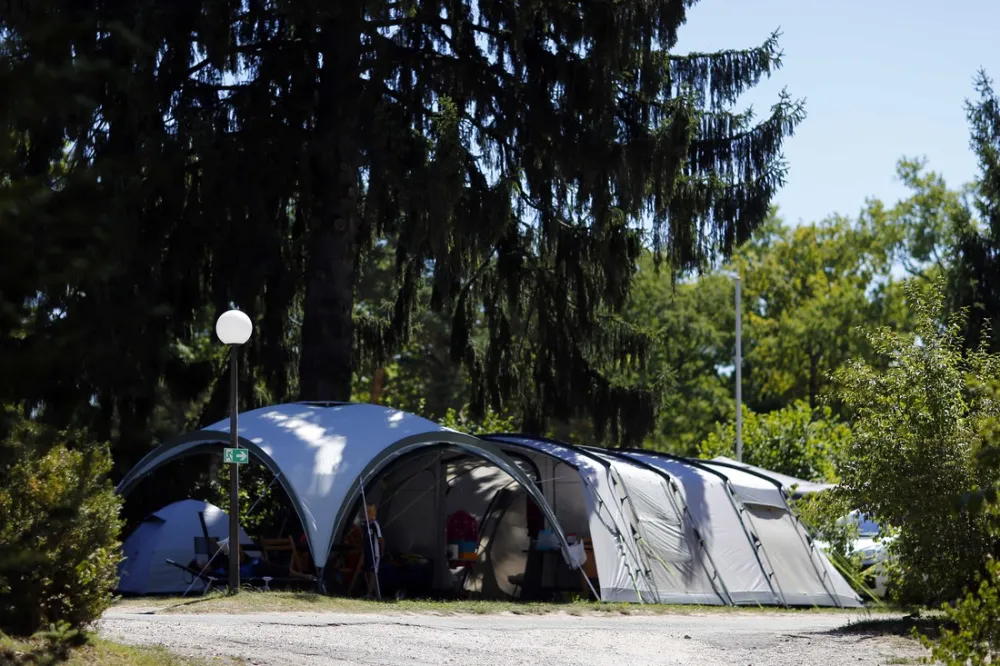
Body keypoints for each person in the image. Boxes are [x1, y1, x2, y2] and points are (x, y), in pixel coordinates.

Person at [362, 503, 383, 598]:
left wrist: (381, 551)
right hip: (367, 552)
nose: (366, 514)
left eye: (368, 512)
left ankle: (371, 593)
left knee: (373, 572)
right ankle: (372, 592)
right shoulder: (365, 525)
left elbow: (380, 539)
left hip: (374, 552)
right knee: (368, 571)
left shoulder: (375, 525)